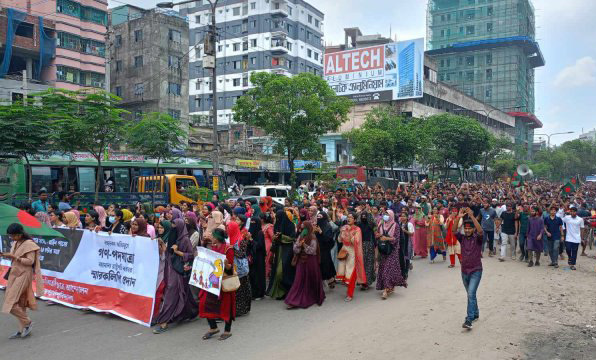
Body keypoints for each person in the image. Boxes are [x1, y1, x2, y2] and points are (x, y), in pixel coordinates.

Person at [153, 218, 198, 333]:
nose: (173, 227)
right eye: (172, 224)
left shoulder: (185, 240)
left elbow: (191, 255)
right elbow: (168, 253)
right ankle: (192, 311)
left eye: (174, 225)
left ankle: (163, 321)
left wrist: (177, 252)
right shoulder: (173, 237)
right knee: (184, 293)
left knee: (170, 294)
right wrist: (163, 244)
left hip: (179, 271)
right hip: (170, 269)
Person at [1, 223, 44, 339]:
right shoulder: (15, 242)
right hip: (14, 273)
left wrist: (15, 257)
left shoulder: (30, 244)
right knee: (20, 302)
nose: (11, 238)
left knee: (10, 303)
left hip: (24, 274)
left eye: (13, 236)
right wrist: (5, 255)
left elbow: (30, 261)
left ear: (19, 234)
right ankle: (21, 330)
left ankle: (27, 322)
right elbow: (14, 257)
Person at [200, 228, 236, 341]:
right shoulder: (213, 247)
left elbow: (231, 269)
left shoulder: (228, 249)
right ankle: (213, 327)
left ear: (218, 237)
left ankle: (227, 330)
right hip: (213, 280)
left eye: (213, 236)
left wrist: (226, 264)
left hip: (224, 282)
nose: (211, 238)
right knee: (204, 302)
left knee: (226, 305)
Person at [454, 208, 483, 330]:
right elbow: (454, 230)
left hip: (476, 270)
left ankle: (469, 319)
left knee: (471, 294)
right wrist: (458, 217)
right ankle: (475, 313)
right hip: (464, 271)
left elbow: (480, 231)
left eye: (469, 228)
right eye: (465, 228)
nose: (467, 230)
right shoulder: (462, 238)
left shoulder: (478, 238)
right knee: (471, 294)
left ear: (473, 229)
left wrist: (471, 217)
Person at [285, 221, 325, 309]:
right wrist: (299, 245)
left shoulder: (313, 237)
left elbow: (313, 250)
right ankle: (294, 301)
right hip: (301, 261)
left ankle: (312, 296)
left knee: (310, 279)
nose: (303, 230)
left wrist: (304, 245)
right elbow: (295, 248)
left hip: (311, 261)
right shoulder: (301, 236)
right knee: (298, 280)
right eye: (302, 228)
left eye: (305, 228)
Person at [376, 210, 407, 300]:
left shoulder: (396, 226)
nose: (385, 216)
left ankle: (386, 290)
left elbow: (396, 239)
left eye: (387, 214)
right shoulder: (380, 224)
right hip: (383, 250)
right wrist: (378, 236)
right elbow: (377, 235)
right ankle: (390, 286)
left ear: (391, 216)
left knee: (387, 270)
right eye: (384, 214)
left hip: (392, 251)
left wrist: (387, 238)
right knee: (383, 269)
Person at [267, 208, 296, 300]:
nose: (277, 219)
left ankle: (289, 291)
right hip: (279, 250)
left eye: (279, 217)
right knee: (277, 272)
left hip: (287, 250)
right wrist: (275, 238)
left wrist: (281, 236)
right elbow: (275, 238)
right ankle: (280, 293)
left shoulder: (290, 225)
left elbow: (292, 238)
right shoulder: (277, 225)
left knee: (283, 272)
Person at [337, 213, 366, 302]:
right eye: (348, 217)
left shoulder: (357, 229)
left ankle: (350, 294)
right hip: (344, 250)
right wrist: (342, 232)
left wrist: (348, 233)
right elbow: (339, 240)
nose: (349, 219)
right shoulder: (344, 227)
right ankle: (348, 289)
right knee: (343, 272)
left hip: (353, 252)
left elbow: (355, 242)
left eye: (351, 217)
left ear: (355, 220)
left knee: (351, 273)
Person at [233, 214, 252, 316]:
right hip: (236, 264)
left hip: (240, 265)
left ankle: (241, 308)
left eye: (238, 219)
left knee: (241, 286)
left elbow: (241, 253)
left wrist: (231, 249)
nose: (236, 221)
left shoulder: (243, 234)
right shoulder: (235, 233)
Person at [315, 211, 336, 288]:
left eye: (320, 217)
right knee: (321, 264)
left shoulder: (327, 226)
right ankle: (325, 281)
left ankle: (331, 279)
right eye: (318, 217)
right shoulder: (316, 225)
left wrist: (320, 232)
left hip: (325, 248)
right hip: (317, 247)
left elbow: (328, 238)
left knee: (326, 264)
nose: (318, 218)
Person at [249, 215, 266, 300]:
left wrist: (251, 240)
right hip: (252, 256)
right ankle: (253, 292)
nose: (252, 224)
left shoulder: (260, 233)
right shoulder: (250, 232)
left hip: (259, 257)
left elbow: (259, 246)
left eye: (254, 222)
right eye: (251, 222)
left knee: (258, 274)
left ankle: (259, 293)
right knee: (252, 274)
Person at [561, 205, 585, 270]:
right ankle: (569, 257)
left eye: (573, 212)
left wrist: (582, 238)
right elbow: (560, 221)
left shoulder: (580, 219)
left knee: (574, 251)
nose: (572, 213)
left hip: (577, 238)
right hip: (568, 237)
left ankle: (572, 264)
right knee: (568, 249)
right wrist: (563, 228)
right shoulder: (567, 217)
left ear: (576, 212)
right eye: (571, 211)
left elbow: (582, 228)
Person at [358, 209, 376, 289]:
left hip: (369, 245)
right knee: (361, 264)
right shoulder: (359, 224)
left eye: (365, 216)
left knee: (368, 264)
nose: (364, 217)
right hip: (360, 245)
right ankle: (362, 281)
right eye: (362, 216)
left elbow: (374, 224)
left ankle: (367, 282)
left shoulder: (370, 224)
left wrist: (370, 214)